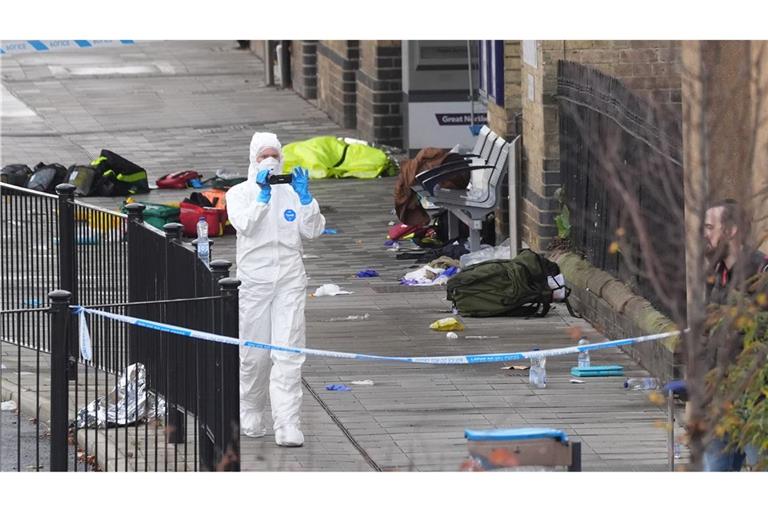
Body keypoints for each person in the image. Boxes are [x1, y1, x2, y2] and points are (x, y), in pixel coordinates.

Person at [225, 132, 325, 447]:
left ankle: (287, 423)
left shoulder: (292, 193)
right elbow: (245, 225)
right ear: (253, 159)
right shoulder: (239, 193)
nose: (270, 161)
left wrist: (306, 200)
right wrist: (262, 198)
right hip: (254, 280)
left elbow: (313, 231)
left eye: (274, 155)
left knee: (289, 351)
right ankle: (251, 410)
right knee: (254, 354)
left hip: (289, 279)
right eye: (263, 156)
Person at [701, 198, 767, 470]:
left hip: (756, 406)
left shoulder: (761, 274)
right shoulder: (716, 274)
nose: (704, 235)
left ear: (731, 231)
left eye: (709, 227)